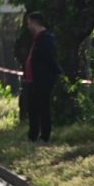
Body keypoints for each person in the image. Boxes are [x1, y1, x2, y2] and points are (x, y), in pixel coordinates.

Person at [23, 11, 58, 143]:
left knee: (43, 107)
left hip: (42, 80)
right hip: (33, 80)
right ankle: (32, 135)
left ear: (34, 23)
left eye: (29, 23)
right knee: (32, 108)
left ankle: (44, 136)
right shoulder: (36, 39)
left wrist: (52, 74)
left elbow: (49, 58)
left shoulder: (46, 39)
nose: (28, 26)